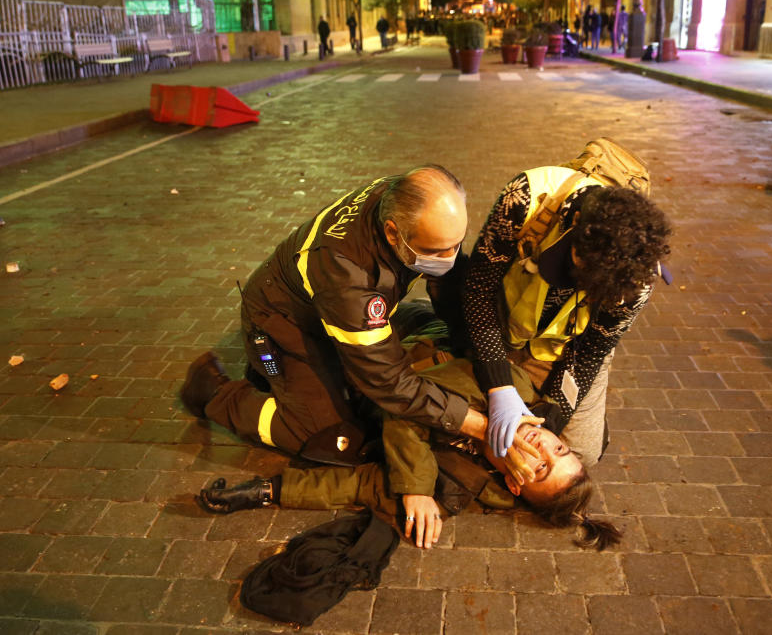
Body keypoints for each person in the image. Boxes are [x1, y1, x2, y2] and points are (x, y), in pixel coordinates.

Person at [196, 341, 621, 552]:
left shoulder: (456, 486)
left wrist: (268, 491)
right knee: (292, 357)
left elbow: (360, 485)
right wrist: (418, 480)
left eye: (541, 468)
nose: (541, 447)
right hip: (404, 342)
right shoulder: (515, 389)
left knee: (311, 436)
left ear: (513, 484)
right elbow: (410, 400)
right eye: (558, 450)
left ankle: (210, 392)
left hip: (365, 392)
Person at [179, 166, 475, 465]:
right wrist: (479, 425)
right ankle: (217, 394)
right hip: (285, 321)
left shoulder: (411, 198)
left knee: (428, 325)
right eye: (437, 251)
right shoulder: (346, 271)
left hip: (340, 311)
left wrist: (470, 343)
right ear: (392, 232)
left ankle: (304, 378)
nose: (449, 257)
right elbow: (388, 382)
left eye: (456, 244)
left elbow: (448, 278)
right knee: (331, 438)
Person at [462, 141, 671, 468]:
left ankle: (579, 417)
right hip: (502, 323)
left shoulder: (636, 280)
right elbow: (477, 290)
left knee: (581, 456)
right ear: (572, 224)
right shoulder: (526, 197)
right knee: (472, 425)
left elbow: (589, 352)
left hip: (566, 346)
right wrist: (498, 384)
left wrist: (550, 419)